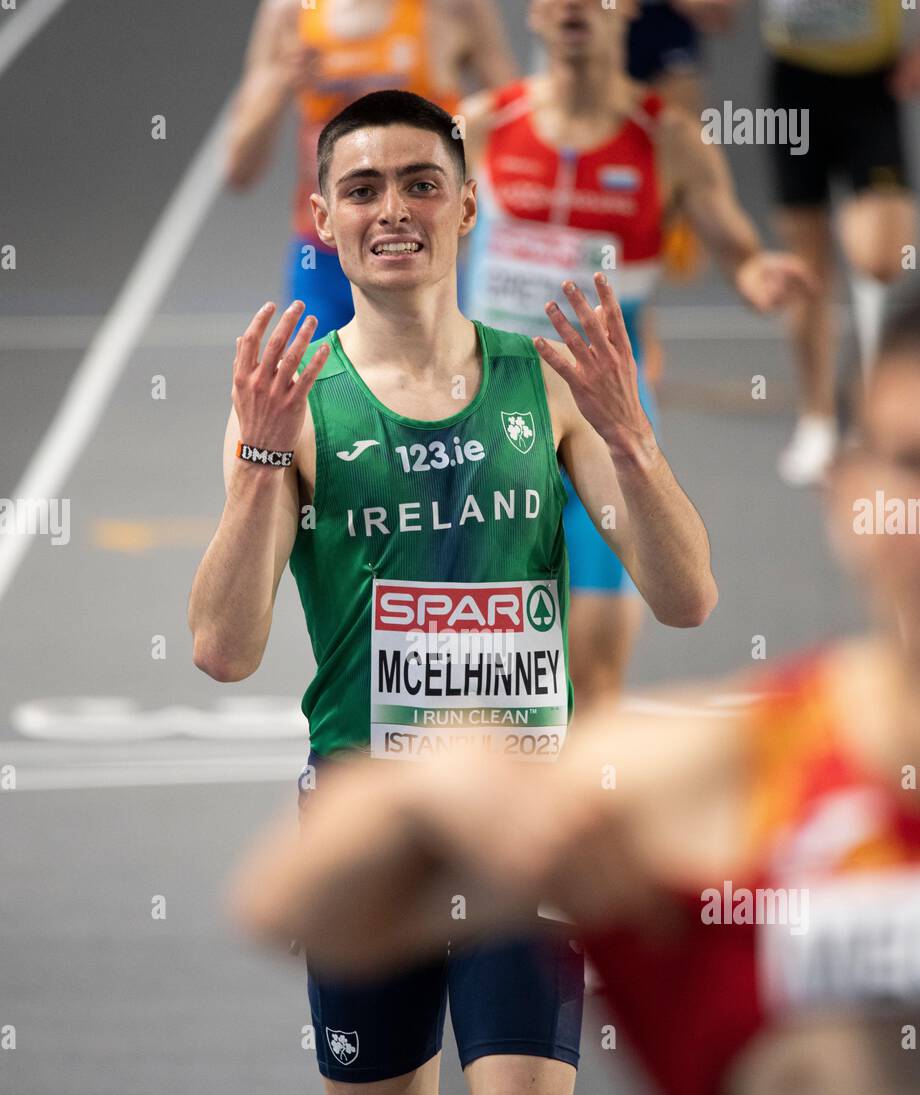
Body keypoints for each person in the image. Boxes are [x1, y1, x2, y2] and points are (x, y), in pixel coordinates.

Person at [231, 297, 920, 1095]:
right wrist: (423, 791)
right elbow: (281, 904)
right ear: (843, 491)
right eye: (907, 468)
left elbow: (684, 594)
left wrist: (628, 434)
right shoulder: (740, 781)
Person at [189, 89, 717, 1095]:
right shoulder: (294, 404)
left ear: (466, 202)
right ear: (322, 218)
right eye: (362, 188)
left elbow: (684, 594)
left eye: (420, 182)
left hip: (519, 835)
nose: (393, 209)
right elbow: (223, 646)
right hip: (368, 841)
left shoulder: (547, 380)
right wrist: (261, 460)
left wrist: (634, 443)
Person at [460, 0, 812, 702]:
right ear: (533, 14)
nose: (572, 9)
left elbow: (738, 251)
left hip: (606, 419)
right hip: (486, 415)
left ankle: (578, 806)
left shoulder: (667, 138)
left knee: (591, 672)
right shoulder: (481, 126)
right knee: (485, 672)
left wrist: (758, 274)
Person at [225, 0, 518, 337]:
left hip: (421, 252)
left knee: (435, 385)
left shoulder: (451, 7)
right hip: (323, 258)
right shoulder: (290, 11)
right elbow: (239, 168)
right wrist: (279, 80)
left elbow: (514, 121)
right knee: (315, 387)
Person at [745, 0, 920, 484]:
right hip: (795, 82)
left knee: (882, 256)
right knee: (805, 267)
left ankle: (872, 404)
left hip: (870, 85)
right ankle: (819, 418)